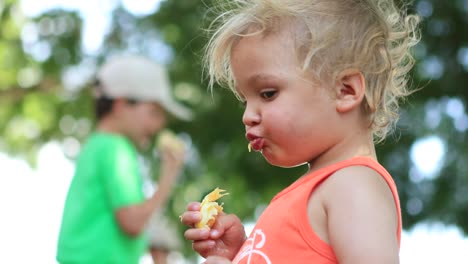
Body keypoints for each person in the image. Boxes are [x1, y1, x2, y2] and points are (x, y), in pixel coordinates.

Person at [180, 0, 420, 263]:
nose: (247, 116)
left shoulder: (353, 184)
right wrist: (239, 253)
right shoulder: (321, 189)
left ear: (345, 91)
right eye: (244, 100)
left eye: (267, 94)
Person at [56, 54, 191, 264]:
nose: (158, 125)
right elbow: (132, 222)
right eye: (154, 112)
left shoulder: (96, 145)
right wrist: (168, 177)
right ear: (120, 105)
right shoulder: (116, 149)